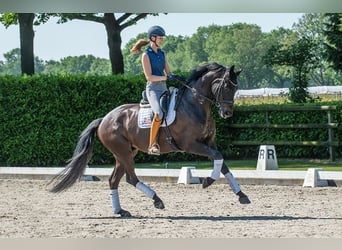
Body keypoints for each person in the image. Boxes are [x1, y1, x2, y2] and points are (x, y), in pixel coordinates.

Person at [131, 25, 184, 155]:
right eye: (160, 38)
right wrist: (165, 77)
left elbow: (168, 72)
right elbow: (149, 77)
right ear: (152, 38)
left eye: (162, 38)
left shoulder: (162, 53)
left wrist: (175, 76)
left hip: (164, 88)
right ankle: (152, 145)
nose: (162, 40)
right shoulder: (146, 55)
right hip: (153, 90)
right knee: (159, 114)